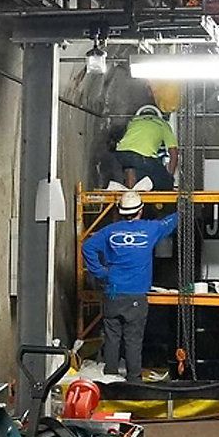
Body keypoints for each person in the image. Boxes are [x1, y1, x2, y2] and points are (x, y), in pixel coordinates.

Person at [82, 191, 179, 382]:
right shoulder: (150, 229)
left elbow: (88, 247)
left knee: (112, 337)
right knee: (133, 340)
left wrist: (101, 272)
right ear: (141, 210)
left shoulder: (109, 231)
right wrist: (183, 206)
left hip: (113, 293)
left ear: (119, 211)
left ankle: (110, 378)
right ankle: (134, 381)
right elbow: (170, 223)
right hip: (136, 296)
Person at [114, 105, 179, 191]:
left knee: (137, 169)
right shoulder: (163, 124)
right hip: (142, 157)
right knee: (164, 182)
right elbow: (174, 154)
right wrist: (169, 176)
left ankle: (131, 180)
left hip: (121, 154)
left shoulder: (133, 121)